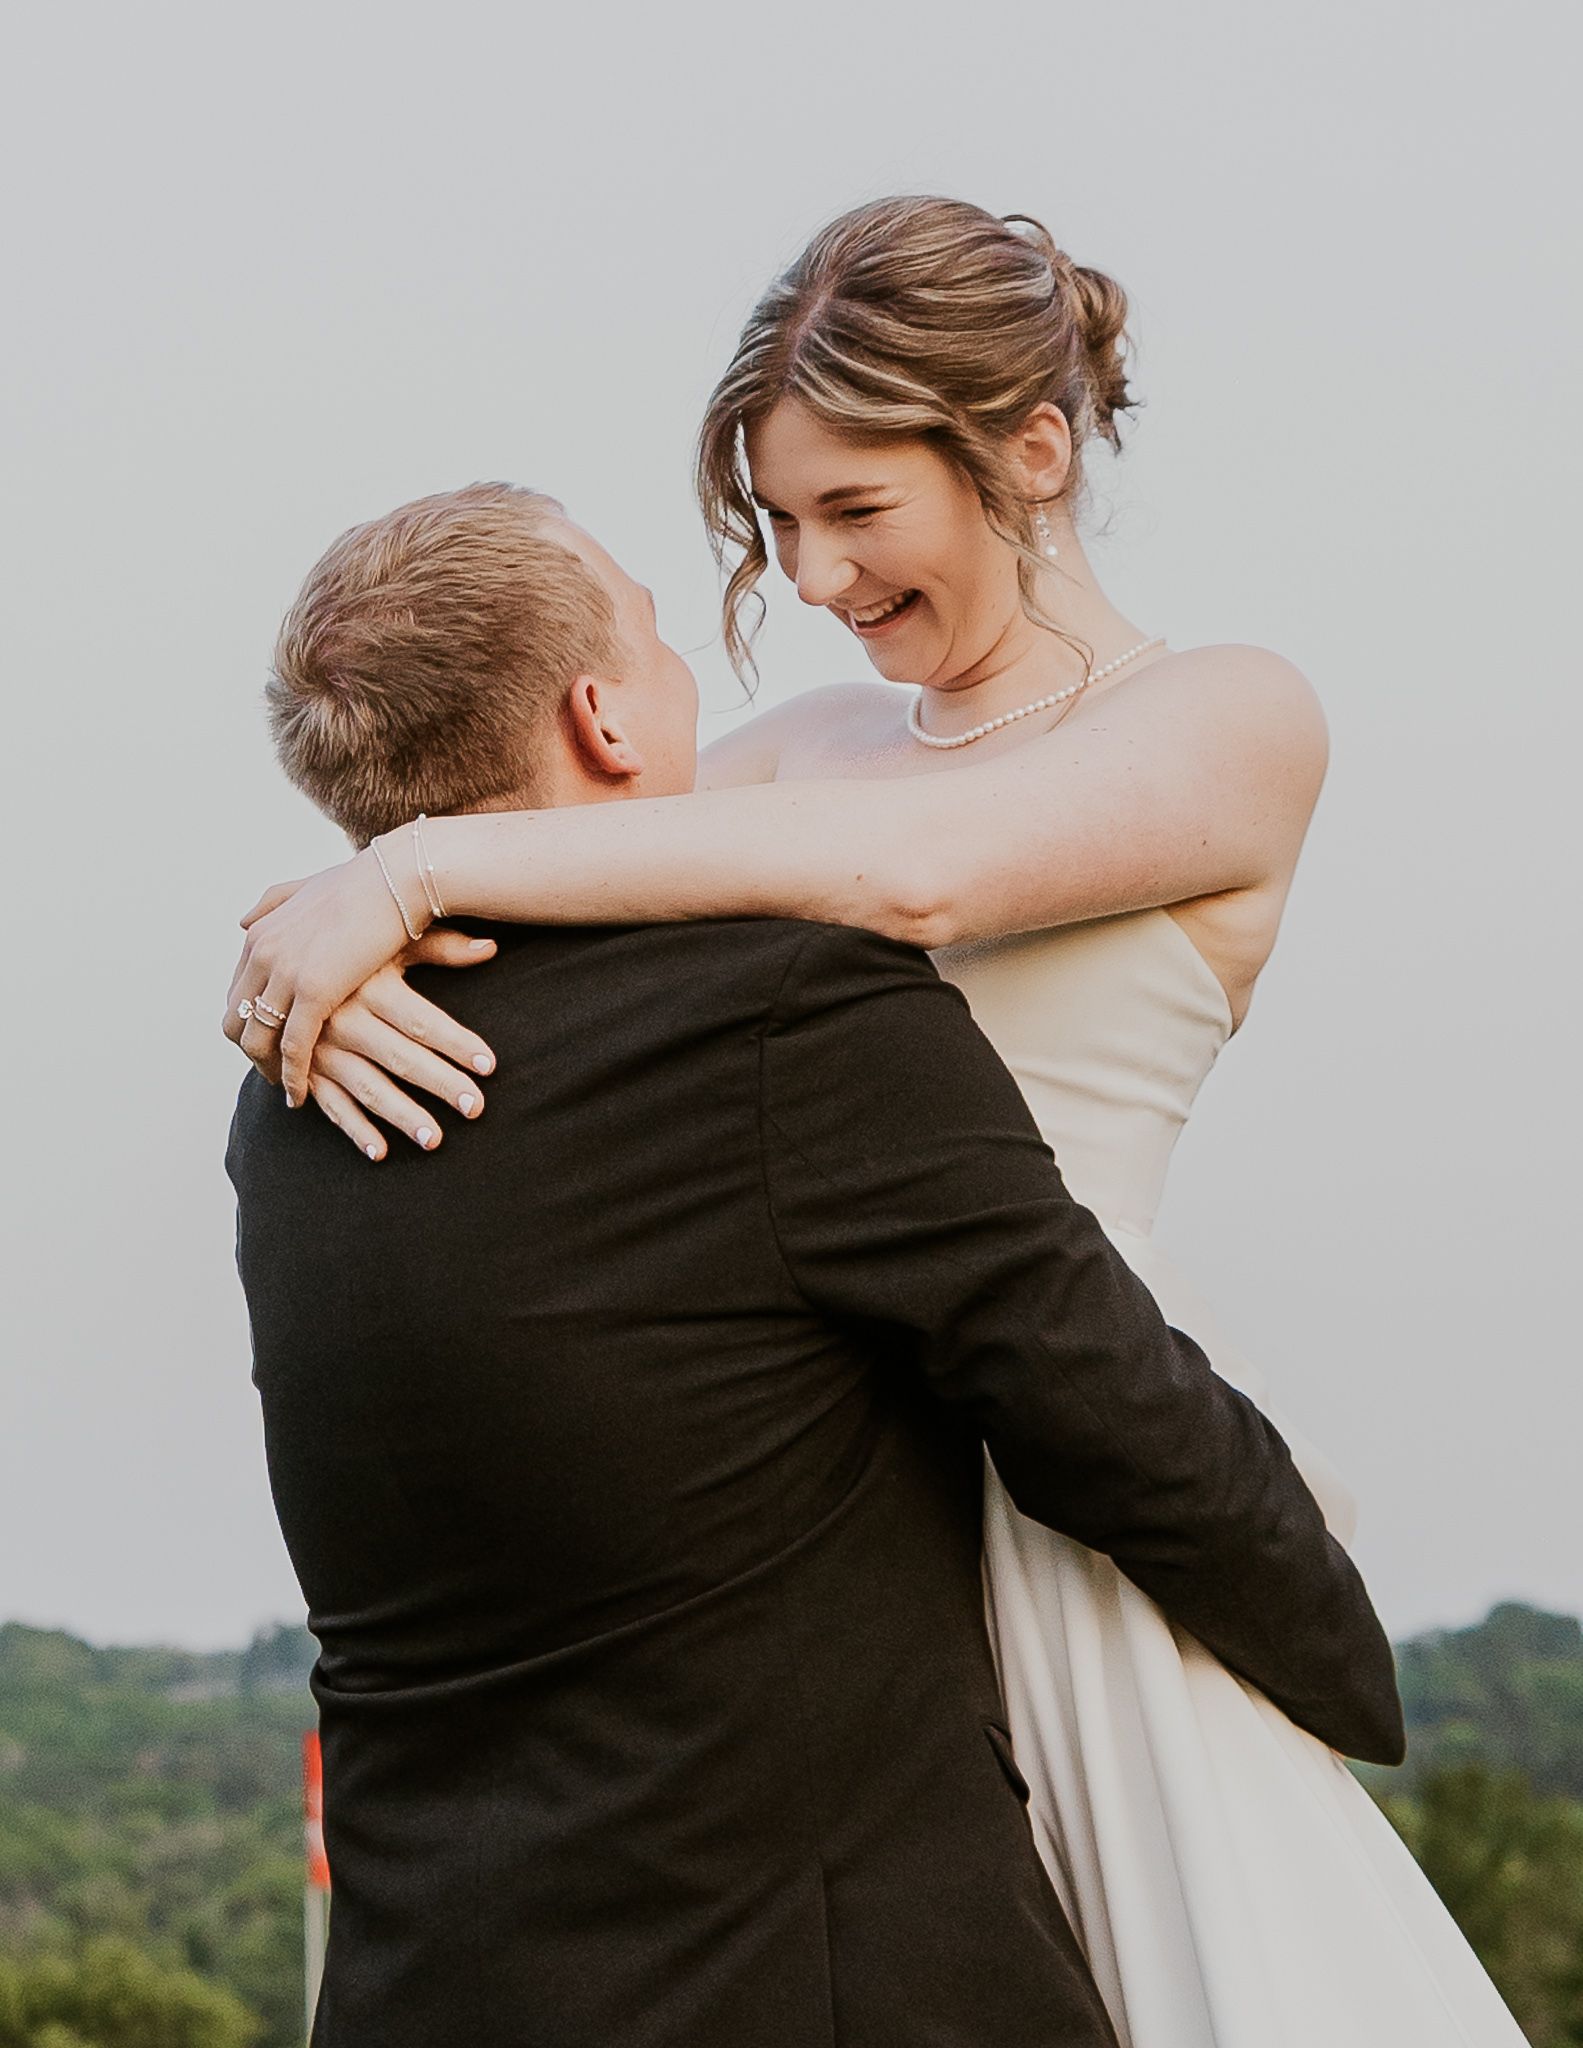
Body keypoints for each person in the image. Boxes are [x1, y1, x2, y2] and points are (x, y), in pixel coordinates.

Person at [226, 200, 1527, 2044]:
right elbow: (551, 833)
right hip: (818, 1493)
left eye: (855, 510)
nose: (813, 575)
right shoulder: (807, 754)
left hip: (1074, 1457)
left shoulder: (1227, 717)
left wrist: (419, 869)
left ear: (1032, 453)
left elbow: (916, 879)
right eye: (774, 521)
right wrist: (317, 943)